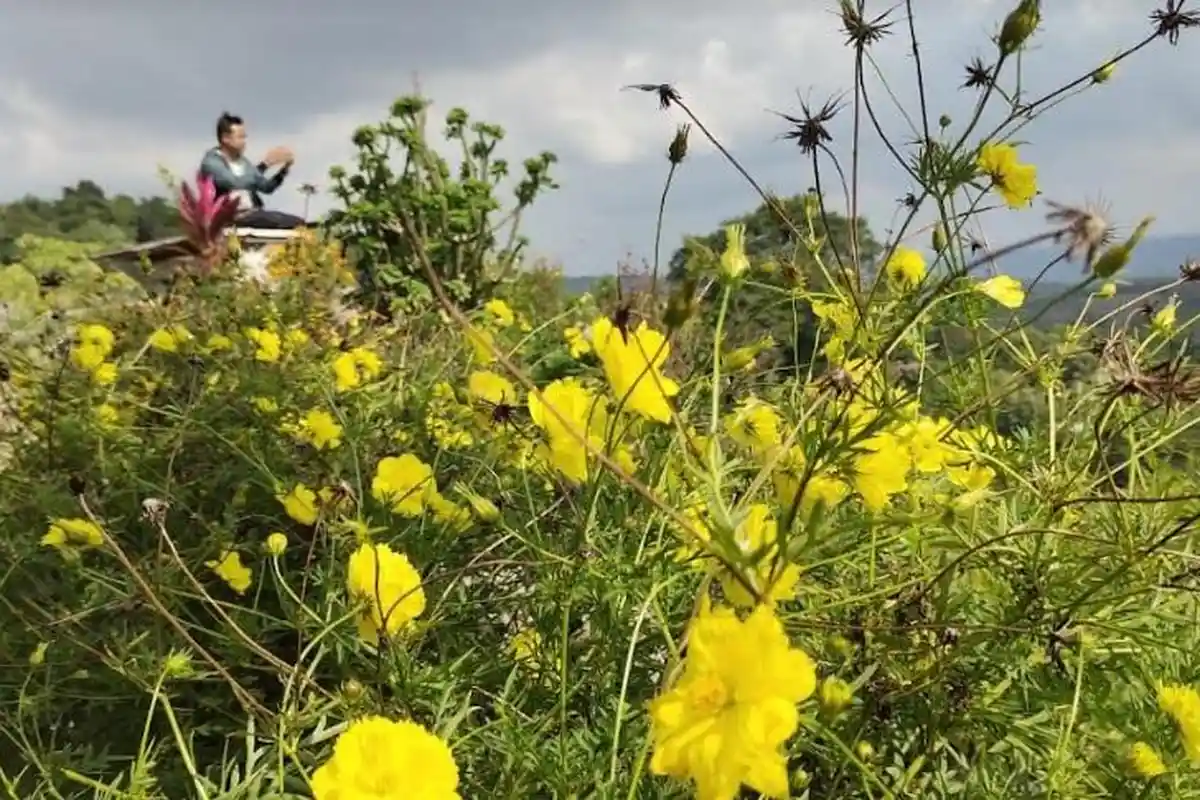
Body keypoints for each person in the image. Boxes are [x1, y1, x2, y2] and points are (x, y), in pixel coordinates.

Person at [199, 112, 306, 229]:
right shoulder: (211, 162)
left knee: (298, 222)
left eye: (244, 137)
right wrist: (264, 165)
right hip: (231, 217)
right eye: (240, 137)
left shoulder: (243, 162)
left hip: (252, 214)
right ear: (225, 138)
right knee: (288, 223)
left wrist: (284, 170)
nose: (244, 141)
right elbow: (235, 183)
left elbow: (266, 187)